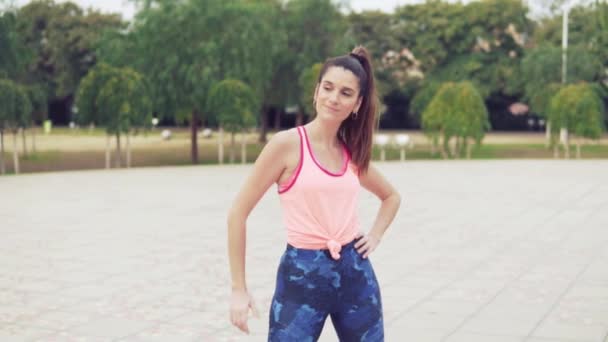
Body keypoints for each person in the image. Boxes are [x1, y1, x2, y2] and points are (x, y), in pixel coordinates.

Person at [227, 46, 401, 341]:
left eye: (346, 93)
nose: (334, 98)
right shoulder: (286, 145)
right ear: (316, 91)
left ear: (357, 104)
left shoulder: (351, 152)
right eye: (328, 88)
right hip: (302, 274)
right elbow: (237, 214)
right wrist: (238, 289)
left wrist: (374, 236)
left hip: (355, 273)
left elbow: (391, 197)